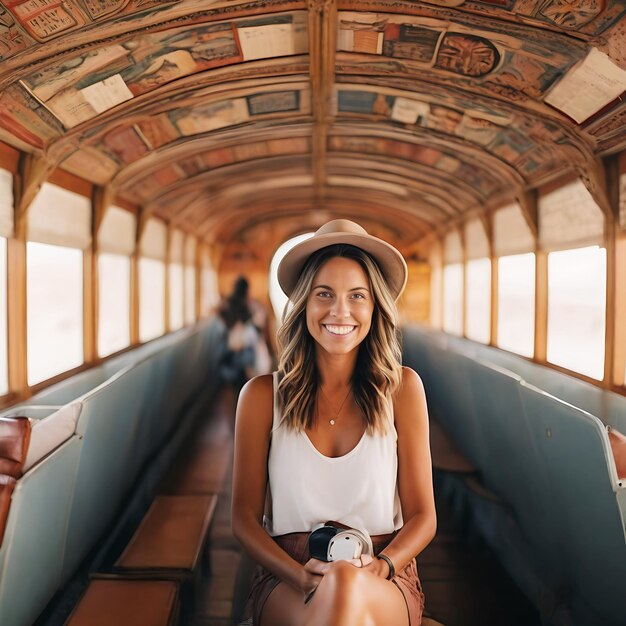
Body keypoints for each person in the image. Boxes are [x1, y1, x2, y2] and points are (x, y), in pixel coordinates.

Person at [232, 219, 436, 625]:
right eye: (324, 294)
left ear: (375, 306)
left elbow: (423, 517)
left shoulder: (403, 390)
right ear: (304, 303)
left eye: (357, 296)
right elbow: (243, 519)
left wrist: (381, 567)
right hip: (286, 574)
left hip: (384, 573)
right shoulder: (259, 397)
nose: (340, 311)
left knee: (344, 588)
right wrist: (298, 575)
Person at [218, 276, 271, 392]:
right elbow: (256, 328)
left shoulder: (227, 304)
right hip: (244, 353)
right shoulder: (248, 305)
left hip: (230, 355)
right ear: (246, 290)